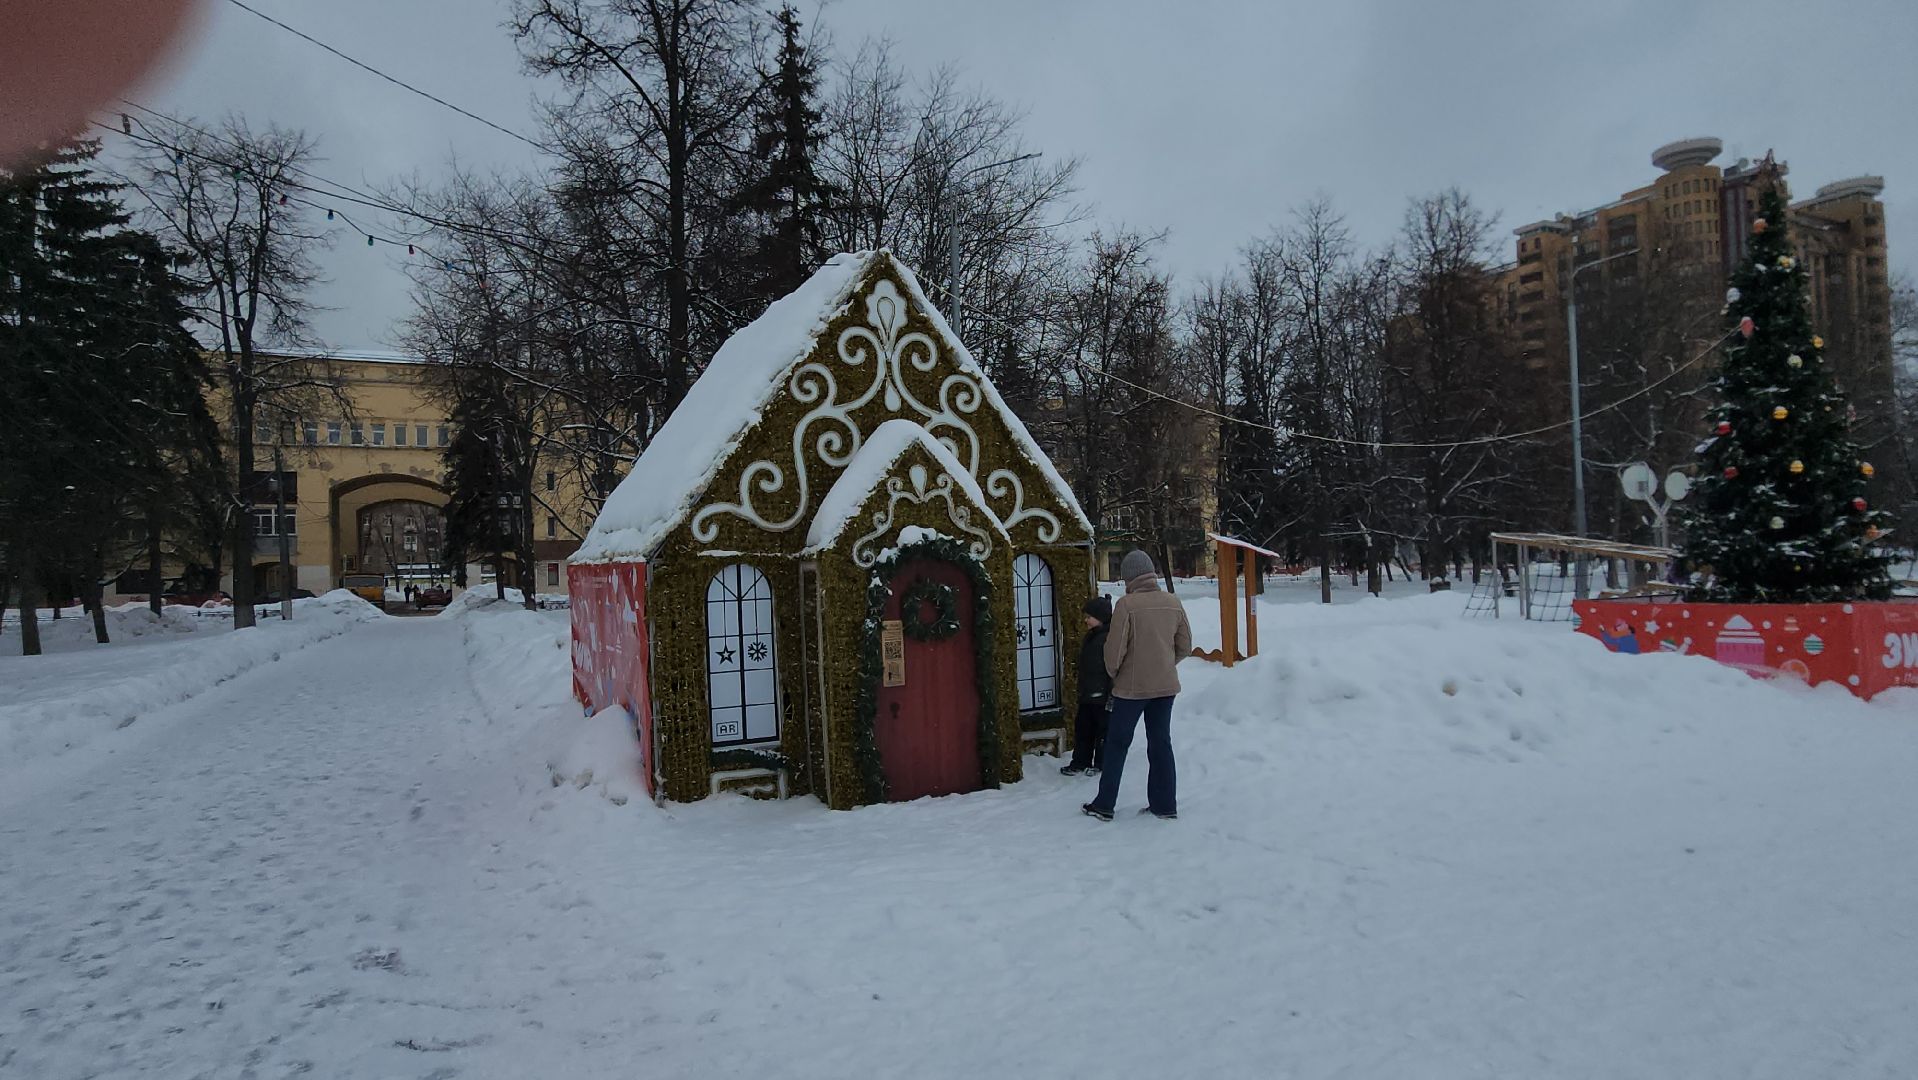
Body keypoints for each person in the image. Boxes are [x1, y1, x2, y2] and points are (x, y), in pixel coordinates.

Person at [1083, 549, 1191, 822]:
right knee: (1160, 743)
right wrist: (1165, 665)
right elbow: (1185, 645)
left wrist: (1116, 673)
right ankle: (1164, 805)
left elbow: (1114, 651)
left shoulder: (1127, 605)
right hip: (1165, 688)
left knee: (1117, 744)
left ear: (1129, 577)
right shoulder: (1173, 601)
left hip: (1131, 689)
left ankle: (1105, 804)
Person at [1059, 594, 1114, 777]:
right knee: (1083, 729)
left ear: (1101, 618)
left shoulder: (1108, 639)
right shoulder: (1092, 637)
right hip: (1087, 693)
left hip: (1103, 695)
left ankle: (1101, 763)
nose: (1086, 620)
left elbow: (1113, 668)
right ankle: (1080, 761)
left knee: (1102, 732)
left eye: (1089, 617)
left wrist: (1111, 694)